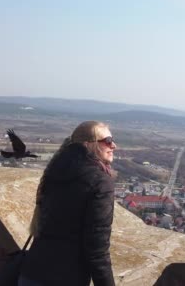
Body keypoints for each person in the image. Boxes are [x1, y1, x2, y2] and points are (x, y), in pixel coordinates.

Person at [19, 121, 117, 286]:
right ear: (89, 144)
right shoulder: (100, 182)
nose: (114, 145)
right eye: (107, 141)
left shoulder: (54, 170)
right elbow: (97, 248)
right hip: (66, 278)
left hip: (31, 272)